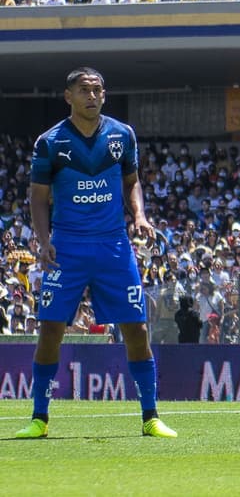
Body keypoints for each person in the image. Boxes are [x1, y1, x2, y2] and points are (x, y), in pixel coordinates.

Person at [15, 67, 176, 439]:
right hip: (67, 248)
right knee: (51, 330)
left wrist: (139, 215)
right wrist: (43, 240)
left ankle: (150, 417)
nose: (93, 96)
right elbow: (38, 198)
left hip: (114, 246)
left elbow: (131, 182)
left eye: (98, 90)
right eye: (84, 90)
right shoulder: (50, 142)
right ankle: (39, 417)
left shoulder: (123, 135)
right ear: (68, 96)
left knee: (136, 328)